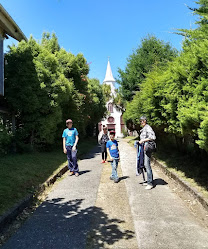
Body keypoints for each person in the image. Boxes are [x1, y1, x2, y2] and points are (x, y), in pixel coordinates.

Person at [139, 116, 156, 190]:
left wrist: (143, 140)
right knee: (144, 164)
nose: (141, 122)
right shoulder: (144, 128)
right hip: (144, 148)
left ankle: (150, 183)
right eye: (141, 121)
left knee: (147, 164)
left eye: (143, 121)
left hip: (147, 148)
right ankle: (148, 180)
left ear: (145, 121)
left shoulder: (148, 127)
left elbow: (152, 137)